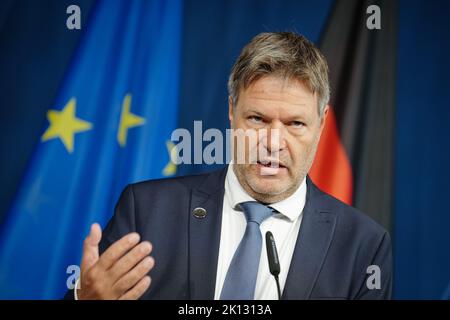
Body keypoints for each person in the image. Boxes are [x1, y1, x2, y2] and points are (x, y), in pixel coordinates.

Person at [65, 32, 392, 300]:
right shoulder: (148, 210)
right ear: (232, 111)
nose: (273, 142)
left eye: (295, 124)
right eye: (257, 119)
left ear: (321, 126)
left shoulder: (363, 246)